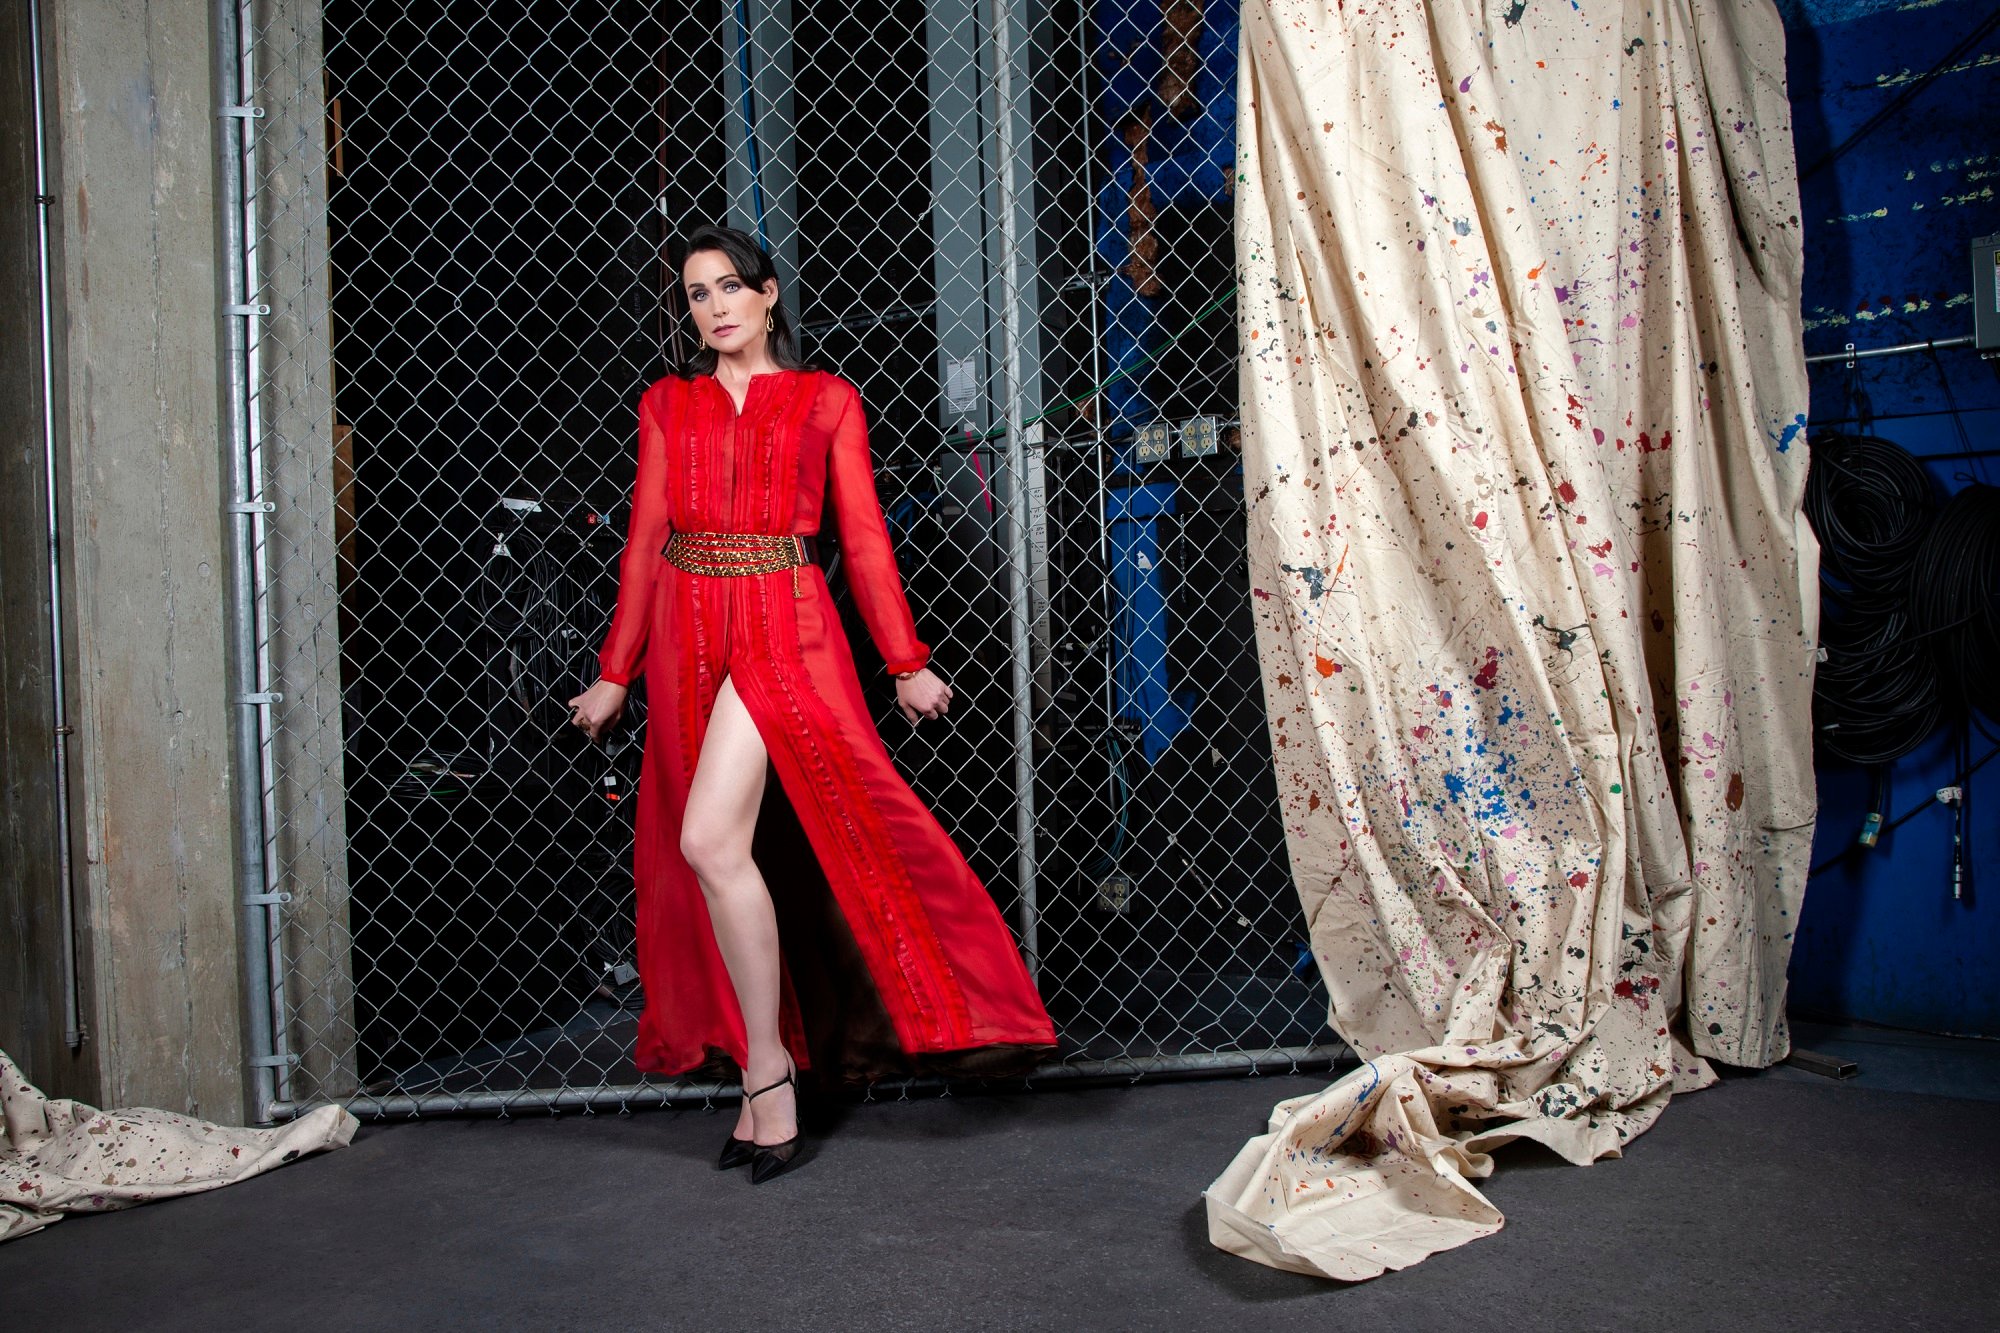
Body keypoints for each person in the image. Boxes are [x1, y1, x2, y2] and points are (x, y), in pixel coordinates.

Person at [566, 224, 1057, 1183]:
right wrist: (616, 671)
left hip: (786, 627)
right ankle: (763, 1061)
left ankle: (771, 1072)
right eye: (696, 295)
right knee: (712, 849)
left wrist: (904, 659)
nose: (712, 307)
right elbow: (642, 542)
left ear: (769, 293)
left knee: (711, 840)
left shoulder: (828, 400)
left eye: (727, 288)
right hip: (687, 630)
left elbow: (866, 539)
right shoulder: (667, 404)